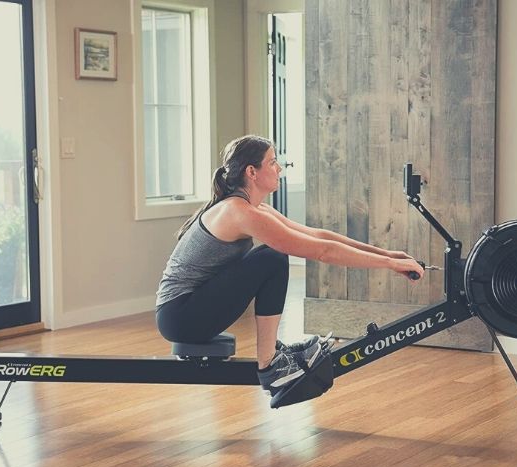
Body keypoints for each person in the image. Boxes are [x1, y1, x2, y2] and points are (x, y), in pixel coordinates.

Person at [155, 135, 424, 397]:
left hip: (188, 312)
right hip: (181, 316)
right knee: (272, 257)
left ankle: (272, 354)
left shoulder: (253, 208)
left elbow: (318, 236)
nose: (279, 168)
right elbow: (323, 252)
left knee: (272, 256)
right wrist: (389, 264)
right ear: (252, 171)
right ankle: (270, 364)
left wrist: (387, 253)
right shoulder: (239, 212)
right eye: (272, 162)